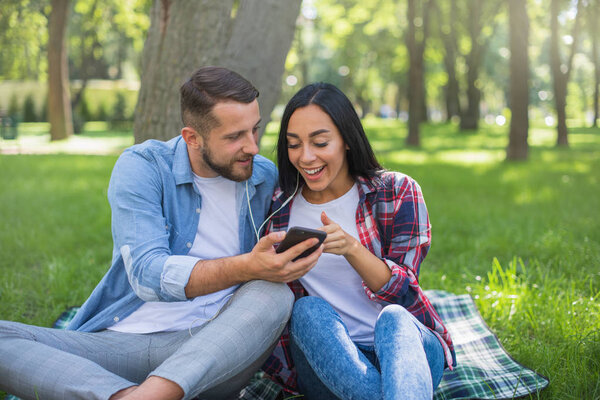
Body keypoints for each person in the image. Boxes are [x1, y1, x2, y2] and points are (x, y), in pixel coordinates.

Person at [0, 67, 323, 400]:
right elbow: (147, 274)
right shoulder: (144, 167)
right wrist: (246, 266)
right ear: (192, 138)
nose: (253, 147)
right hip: (124, 343)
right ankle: (127, 395)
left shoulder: (261, 177)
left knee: (274, 294)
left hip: (216, 347)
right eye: (234, 137)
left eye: (255, 130)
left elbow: (328, 187)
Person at [262, 82, 457, 399]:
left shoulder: (397, 192)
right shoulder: (278, 207)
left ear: (347, 140)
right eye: (293, 144)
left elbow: (405, 290)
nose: (306, 157)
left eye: (320, 142)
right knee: (307, 311)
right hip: (326, 364)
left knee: (393, 319)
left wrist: (352, 248)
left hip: (408, 355)